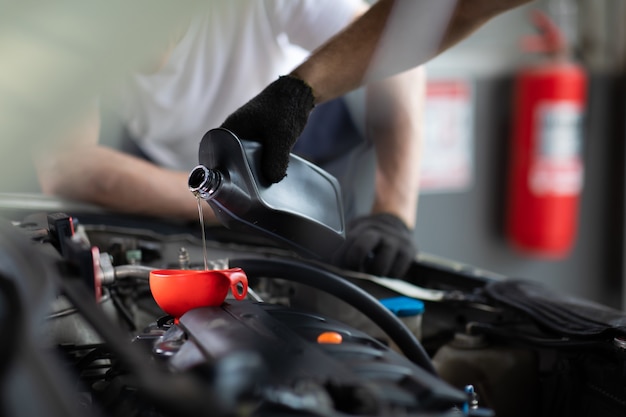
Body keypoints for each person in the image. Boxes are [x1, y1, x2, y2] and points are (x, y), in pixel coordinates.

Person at [34, 0, 424, 278]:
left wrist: (393, 211)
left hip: (286, 151)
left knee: (329, 278)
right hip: (170, 170)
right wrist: (222, 197)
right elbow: (65, 164)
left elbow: (392, 48)